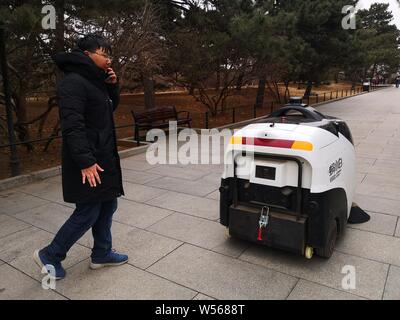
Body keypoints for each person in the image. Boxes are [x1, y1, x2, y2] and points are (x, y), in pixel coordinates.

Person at [33, 34, 127, 280]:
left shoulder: (95, 82)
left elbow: (106, 111)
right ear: (87, 55)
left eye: (109, 55)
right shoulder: (73, 82)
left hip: (102, 156)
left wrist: (111, 87)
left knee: (108, 204)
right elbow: (73, 126)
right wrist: (85, 161)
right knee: (88, 210)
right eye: (104, 54)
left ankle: (102, 254)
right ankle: (50, 255)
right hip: (88, 159)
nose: (108, 59)